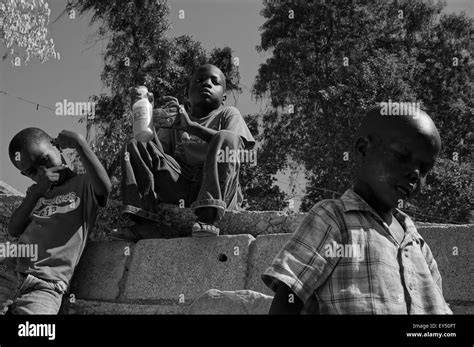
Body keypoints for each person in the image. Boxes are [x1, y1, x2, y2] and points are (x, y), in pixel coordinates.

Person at [262, 105, 452, 314]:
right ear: (363, 149)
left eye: (424, 169)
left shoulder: (419, 246)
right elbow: (289, 296)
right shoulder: (332, 218)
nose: (415, 174)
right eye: (402, 156)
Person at [116, 64, 255, 239]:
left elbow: (236, 146)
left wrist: (191, 127)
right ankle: (144, 222)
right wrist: (148, 120)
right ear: (188, 94)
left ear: (224, 97)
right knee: (137, 143)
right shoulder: (175, 119)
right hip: (180, 184)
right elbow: (156, 157)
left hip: (216, 187)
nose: (207, 84)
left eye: (215, 82)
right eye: (199, 81)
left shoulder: (228, 113)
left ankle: (207, 219)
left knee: (227, 137)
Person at [0, 128, 111, 314]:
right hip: (10, 270)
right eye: (32, 172)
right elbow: (14, 229)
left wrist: (79, 143)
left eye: (44, 160)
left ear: (57, 148)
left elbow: (104, 188)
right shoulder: (35, 194)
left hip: (47, 284)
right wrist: (36, 192)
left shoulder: (84, 184)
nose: (43, 172)